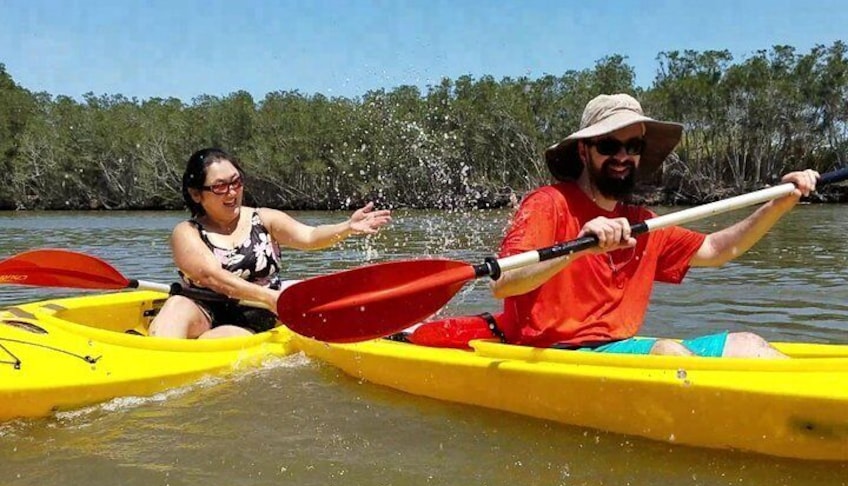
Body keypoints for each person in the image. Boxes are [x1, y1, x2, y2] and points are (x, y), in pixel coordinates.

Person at [410, 93, 818, 358]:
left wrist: (780, 202)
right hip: (553, 352)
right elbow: (504, 284)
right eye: (609, 146)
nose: (622, 156)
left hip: (619, 349)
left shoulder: (643, 222)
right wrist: (581, 246)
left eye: (633, 146)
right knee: (668, 354)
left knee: (749, 345)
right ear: (585, 151)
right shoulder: (548, 204)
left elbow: (718, 249)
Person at [148, 147, 391, 339]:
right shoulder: (186, 232)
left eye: (236, 182)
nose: (232, 193)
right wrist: (270, 298)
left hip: (252, 315)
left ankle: (199, 354)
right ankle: (156, 373)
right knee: (176, 307)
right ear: (196, 194)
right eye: (220, 187)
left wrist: (346, 227)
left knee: (222, 338)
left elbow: (309, 236)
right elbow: (213, 277)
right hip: (204, 308)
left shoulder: (264, 218)